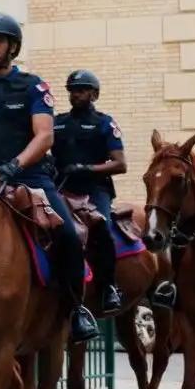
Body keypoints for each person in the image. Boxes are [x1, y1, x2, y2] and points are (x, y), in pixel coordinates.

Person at [0, 12, 99, 343]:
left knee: (66, 234)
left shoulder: (33, 86)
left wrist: (15, 165)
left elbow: (44, 136)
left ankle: (76, 309)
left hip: (29, 178)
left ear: (13, 47)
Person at [52, 69, 126, 314]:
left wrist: (87, 168)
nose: (76, 95)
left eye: (82, 90)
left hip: (95, 188)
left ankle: (108, 288)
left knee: (101, 227)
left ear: (94, 94)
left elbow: (120, 163)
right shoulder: (57, 122)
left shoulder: (105, 123)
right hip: (62, 185)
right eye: (72, 90)